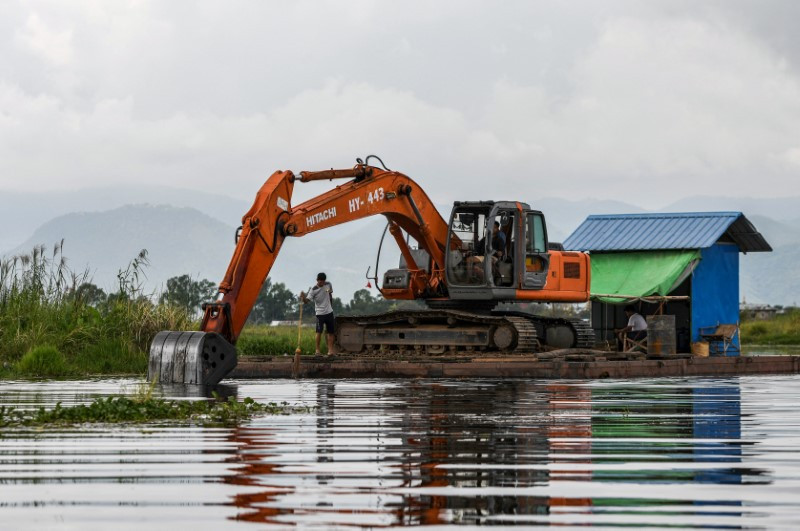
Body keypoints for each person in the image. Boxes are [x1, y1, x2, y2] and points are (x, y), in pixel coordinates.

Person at [300, 272, 336, 356]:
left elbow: (329, 293)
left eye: (323, 281)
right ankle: (317, 350)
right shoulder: (313, 290)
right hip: (320, 313)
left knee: (331, 332)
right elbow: (306, 301)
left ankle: (330, 351)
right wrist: (303, 297)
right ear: (317, 280)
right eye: (320, 282)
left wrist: (331, 306)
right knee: (319, 331)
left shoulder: (328, 285)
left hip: (329, 312)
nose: (322, 283)